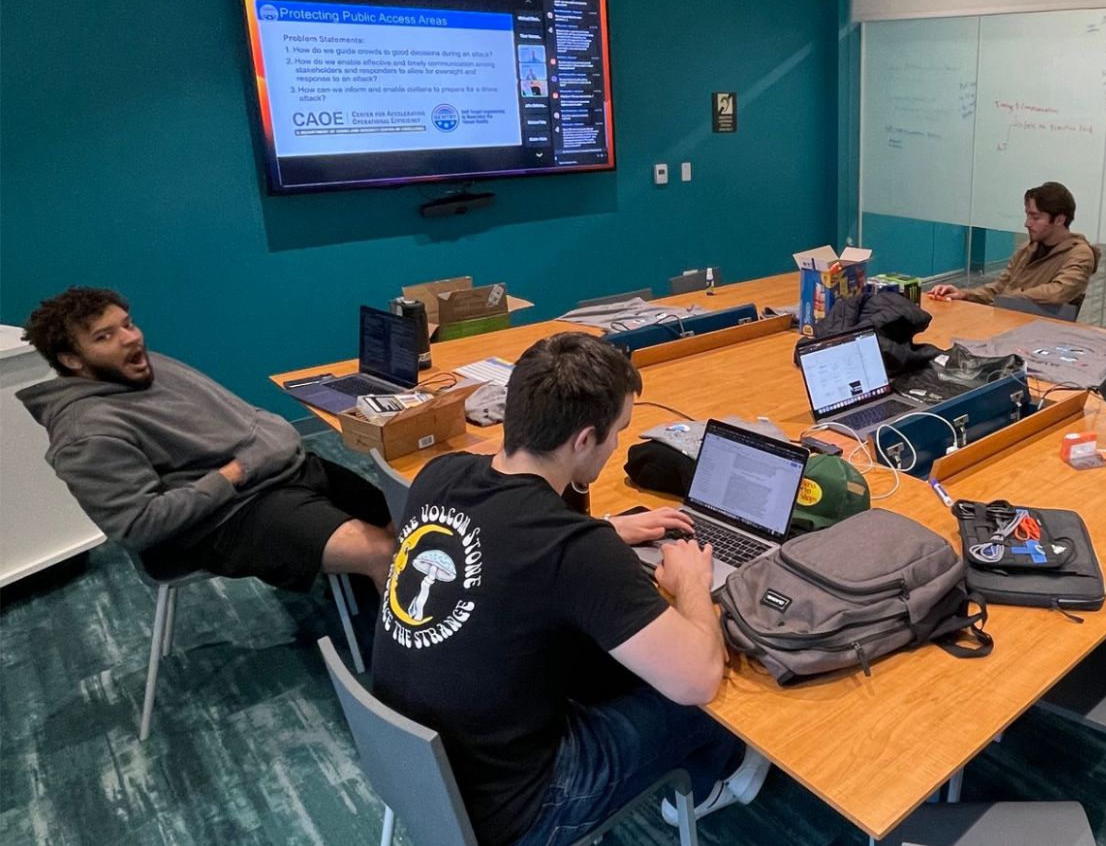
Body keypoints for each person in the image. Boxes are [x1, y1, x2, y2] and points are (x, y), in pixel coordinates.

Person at [369, 332, 766, 846]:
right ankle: (723, 777)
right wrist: (691, 583)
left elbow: (514, 541)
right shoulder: (572, 551)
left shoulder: (440, 475)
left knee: (603, 659)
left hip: (421, 770)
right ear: (583, 440)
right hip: (521, 812)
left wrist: (602, 527)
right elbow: (698, 680)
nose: (620, 443)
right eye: (617, 431)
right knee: (704, 697)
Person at [17, 286, 395, 591]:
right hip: (226, 517)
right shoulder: (85, 434)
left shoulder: (141, 367)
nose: (130, 339)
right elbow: (138, 526)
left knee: (405, 523)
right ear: (71, 361)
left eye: (128, 324)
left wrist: (263, 449)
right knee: (384, 551)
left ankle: (363, 594)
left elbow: (236, 417)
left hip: (280, 472)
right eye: (105, 336)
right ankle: (405, 673)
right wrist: (235, 473)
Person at [927, 181, 1099, 310]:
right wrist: (964, 294)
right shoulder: (1028, 248)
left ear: (1060, 220)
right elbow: (1000, 286)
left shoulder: (1080, 254)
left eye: (1035, 217)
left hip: (1035, 331)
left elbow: (1057, 292)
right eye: (1028, 215)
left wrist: (1008, 298)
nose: (1027, 223)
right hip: (1008, 318)